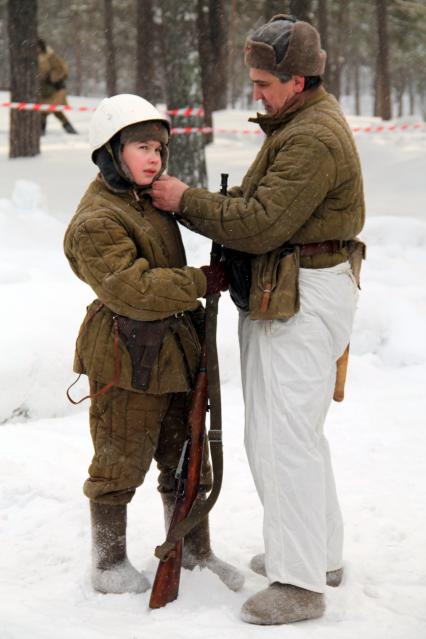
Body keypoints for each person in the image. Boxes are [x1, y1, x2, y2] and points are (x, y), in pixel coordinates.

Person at [150, 14, 365, 626]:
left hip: (302, 295)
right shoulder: (297, 121)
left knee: (283, 439)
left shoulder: (310, 137)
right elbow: (257, 207)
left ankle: (299, 583)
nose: (256, 92)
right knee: (290, 434)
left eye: (264, 82)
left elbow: (264, 221)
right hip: (291, 290)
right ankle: (317, 554)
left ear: (296, 80)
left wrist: (185, 201)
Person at [63, 94, 243, 595]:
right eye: (142, 147)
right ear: (111, 151)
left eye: (160, 149)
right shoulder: (98, 219)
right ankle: (108, 562)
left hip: (175, 353)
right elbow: (133, 290)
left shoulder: (146, 198)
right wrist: (197, 282)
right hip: (126, 355)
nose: (154, 158)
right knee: (120, 458)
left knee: (186, 458)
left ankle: (194, 553)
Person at [37, 38, 77, 135]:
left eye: (37, 47)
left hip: (55, 89)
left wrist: (50, 77)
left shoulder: (50, 56)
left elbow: (61, 69)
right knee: (54, 111)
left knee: (46, 110)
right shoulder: (35, 57)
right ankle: (69, 128)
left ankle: (40, 131)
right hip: (44, 90)